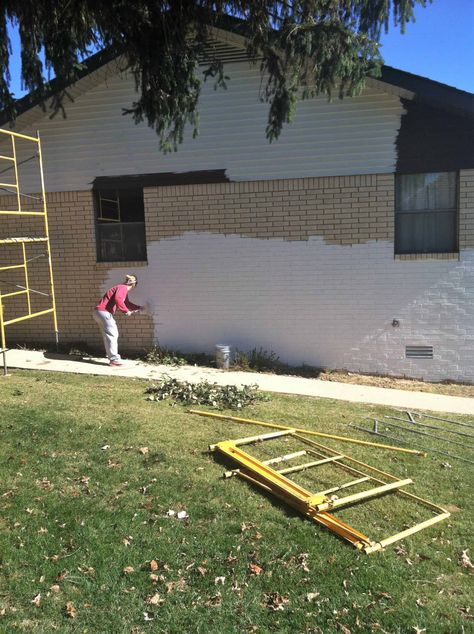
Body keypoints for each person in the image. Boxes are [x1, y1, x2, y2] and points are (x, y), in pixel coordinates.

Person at [93, 274, 143, 366]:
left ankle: (111, 357)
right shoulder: (123, 288)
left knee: (107, 336)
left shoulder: (121, 288)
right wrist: (126, 311)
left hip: (99, 313)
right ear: (134, 285)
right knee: (113, 334)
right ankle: (114, 359)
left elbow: (127, 303)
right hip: (104, 312)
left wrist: (139, 307)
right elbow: (118, 299)